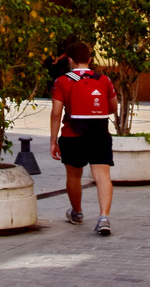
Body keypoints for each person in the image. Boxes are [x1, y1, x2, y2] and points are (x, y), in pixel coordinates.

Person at [50, 41, 116, 236]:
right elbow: (113, 108)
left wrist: (53, 140)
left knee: (74, 176)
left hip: (72, 134)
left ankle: (77, 213)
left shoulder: (62, 81)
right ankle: (104, 217)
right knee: (102, 175)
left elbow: (56, 113)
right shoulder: (103, 80)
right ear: (90, 59)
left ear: (70, 60)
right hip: (99, 132)